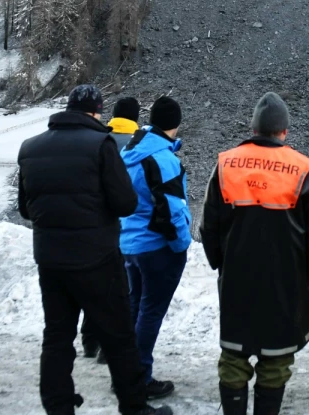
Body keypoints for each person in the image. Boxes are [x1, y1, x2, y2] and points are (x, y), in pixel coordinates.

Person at [17, 84, 171, 415]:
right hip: (96, 259)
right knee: (118, 336)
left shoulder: (30, 148)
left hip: (49, 260)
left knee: (57, 337)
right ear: (97, 112)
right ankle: (135, 407)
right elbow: (125, 202)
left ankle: (58, 407)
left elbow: (26, 209)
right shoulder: (101, 145)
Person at [200, 92, 309, 415]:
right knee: (276, 359)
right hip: (285, 282)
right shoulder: (303, 169)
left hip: (237, 279)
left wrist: (222, 265)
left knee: (234, 356)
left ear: (253, 128)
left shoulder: (226, 164)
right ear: (284, 131)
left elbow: (209, 227)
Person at [118, 95, 192, 401]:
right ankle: (139, 380)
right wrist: (181, 245)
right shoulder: (163, 158)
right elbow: (172, 209)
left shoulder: (129, 151)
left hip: (129, 244)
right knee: (149, 312)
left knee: (136, 307)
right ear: (175, 124)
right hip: (156, 247)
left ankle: (125, 376)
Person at [82, 96, 143, 363]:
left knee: (96, 284)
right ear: (136, 117)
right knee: (121, 291)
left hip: (96, 224)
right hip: (127, 227)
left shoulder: (98, 140)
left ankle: (89, 339)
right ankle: (110, 348)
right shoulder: (138, 144)